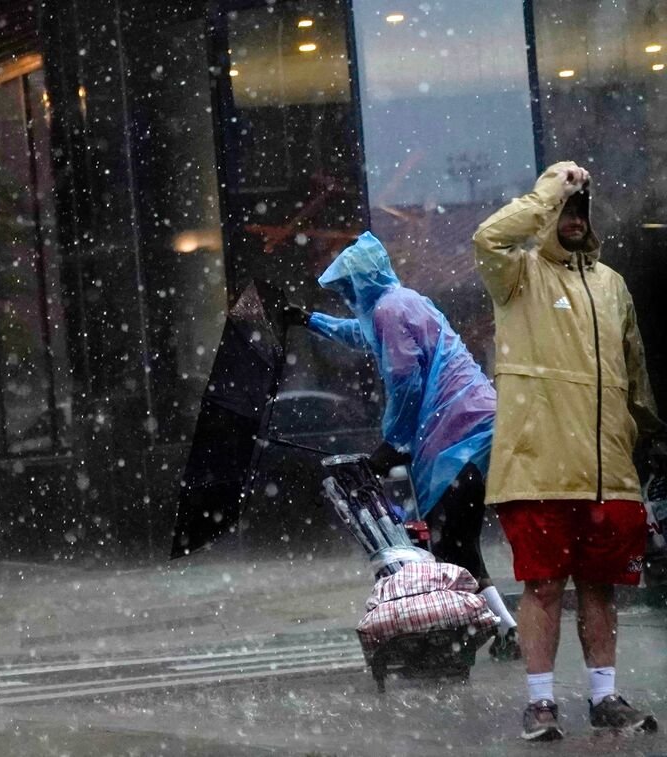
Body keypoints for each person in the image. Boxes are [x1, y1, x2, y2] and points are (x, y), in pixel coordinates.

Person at [474, 161, 664, 740]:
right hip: (537, 468)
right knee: (544, 586)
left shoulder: (611, 285)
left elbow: (634, 372)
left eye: (581, 210)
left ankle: (605, 696)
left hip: (608, 473)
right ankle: (540, 703)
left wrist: (650, 437)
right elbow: (488, 236)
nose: (573, 218)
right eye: (564, 210)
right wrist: (554, 187)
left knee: (601, 587)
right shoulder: (518, 274)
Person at [284, 231, 519, 659]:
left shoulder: (391, 310)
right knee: (455, 542)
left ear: (362, 282)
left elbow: (405, 381)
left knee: (452, 543)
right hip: (473, 424)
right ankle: (503, 627)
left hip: (457, 432)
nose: (348, 296)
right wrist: (310, 320)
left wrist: (390, 443)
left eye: (349, 287)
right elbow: (361, 335)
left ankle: (504, 629)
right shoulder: (399, 302)